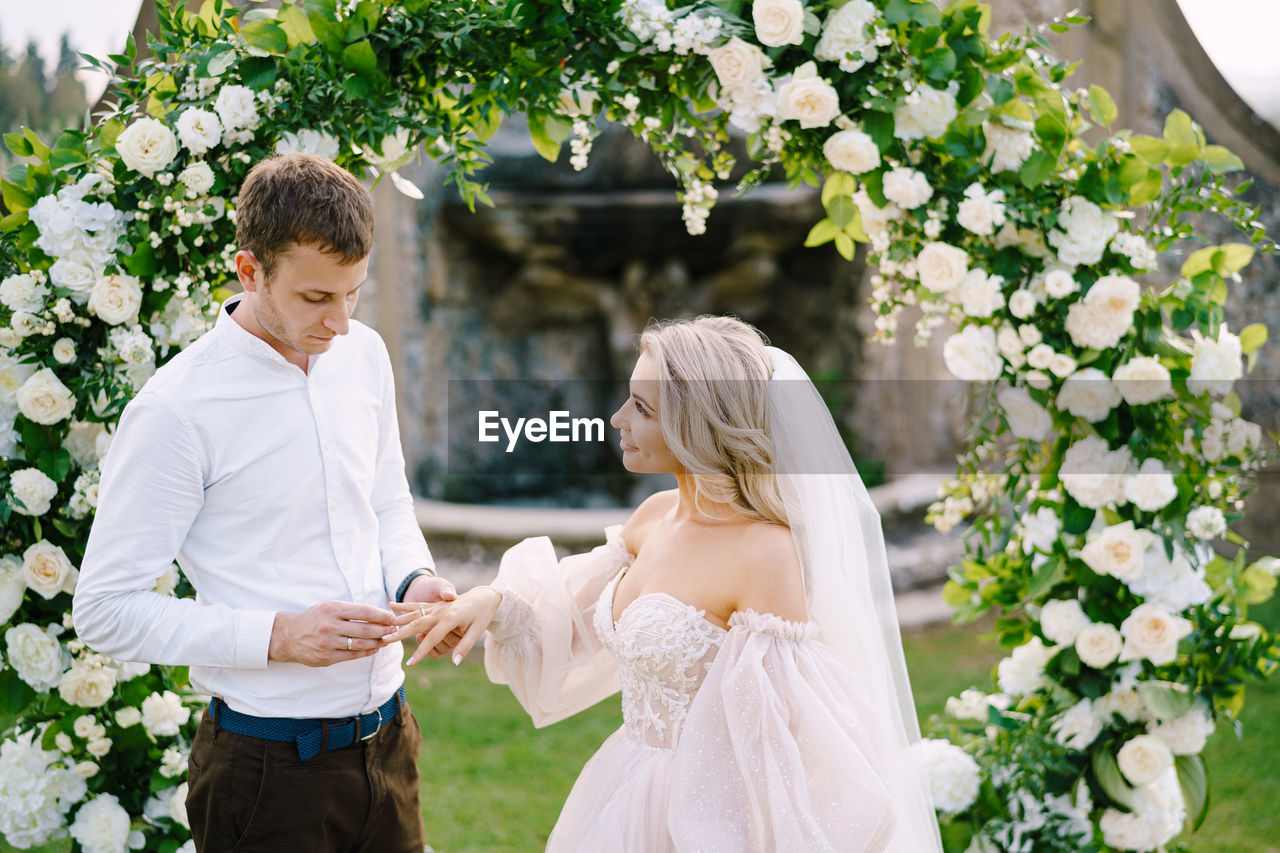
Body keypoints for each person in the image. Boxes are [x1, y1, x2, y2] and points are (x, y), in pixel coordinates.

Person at [385, 316, 944, 852]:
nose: (617, 418)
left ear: (698, 423)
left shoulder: (766, 553)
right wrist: (488, 601)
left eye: (643, 407)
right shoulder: (654, 516)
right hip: (626, 790)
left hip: (715, 816)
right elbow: (571, 616)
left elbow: (786, 744)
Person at [72, 153, 456, 852]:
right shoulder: (176, 409)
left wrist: (416, 579)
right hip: (267, 770)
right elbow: (104, 609)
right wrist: (277, 636)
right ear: (250, 271)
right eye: (317, 298)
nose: (340, 322)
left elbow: (386, 499)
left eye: (354, 293)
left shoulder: (365, 354)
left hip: (390, 743)